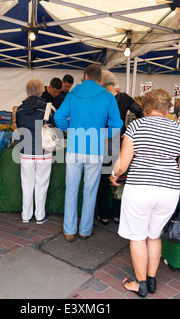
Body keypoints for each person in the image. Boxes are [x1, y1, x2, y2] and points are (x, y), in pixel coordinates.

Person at [110, 89, 180, 297]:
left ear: (145, 108)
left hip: (140, 188)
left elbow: (123, 164)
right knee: (154, 235)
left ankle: (139, 285)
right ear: (167, 109)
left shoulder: (136, 126)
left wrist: (114, 175)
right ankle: (151, 280)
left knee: (138, 237)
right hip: (168, 192)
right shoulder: (178, 129)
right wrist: (174, 173)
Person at [54, 64, 123, 242]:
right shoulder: (108, 97)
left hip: (74, 148)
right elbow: (117, 125)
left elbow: (58, 117)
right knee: (90, 190)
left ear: (85, 76)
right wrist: (102, 135)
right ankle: (85, 230)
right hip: (95, 149)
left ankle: (69, 231)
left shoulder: (73, 93)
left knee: (71, 189)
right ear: (100, 79)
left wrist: (69, 130)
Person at [96, 70, 143, 225]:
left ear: (101, 81)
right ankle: (117, 214)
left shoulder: (98, 98)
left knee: (103, 180)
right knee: (119, 177)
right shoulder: (124, 98)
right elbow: (142, 113)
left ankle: (103, 215)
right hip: (120, 143)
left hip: (102, 142)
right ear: (113, 82)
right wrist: (130, 131)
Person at [16, 78, 55, 224]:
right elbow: (54, 128)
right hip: (44, 151)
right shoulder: (48, 108)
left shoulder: (20, 109)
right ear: (41, 91)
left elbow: (20, 128)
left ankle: (25, 215)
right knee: (42, 183)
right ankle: (39, 216)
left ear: (27, 91)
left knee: (26, 184)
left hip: (26, 150)